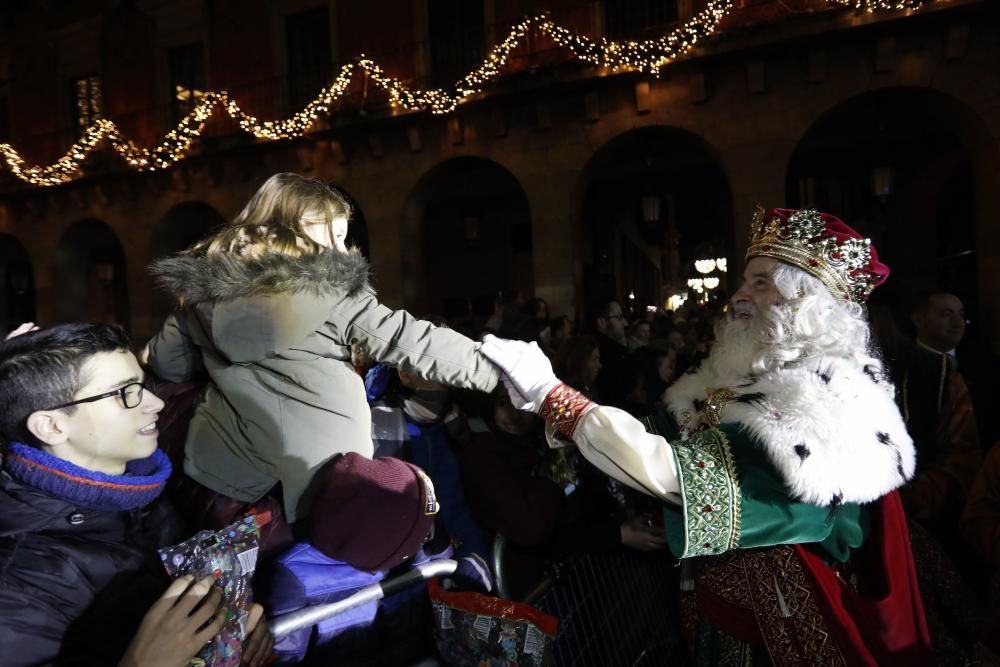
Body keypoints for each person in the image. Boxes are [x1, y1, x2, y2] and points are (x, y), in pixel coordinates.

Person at [482, 207, 933, 664]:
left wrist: (554, 396)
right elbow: (650, 437)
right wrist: (553, 408)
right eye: (745, 280)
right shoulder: (734, 381)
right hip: (717, 616)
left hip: (783, 634)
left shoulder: (832, 404)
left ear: (807, 303)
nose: (738, 295)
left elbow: (675, 472)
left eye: (760, 282)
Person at [146, 173, 498, 525]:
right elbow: (411, 339)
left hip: (226, 476)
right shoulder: (328, 293)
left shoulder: (199, 291)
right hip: (319, 481)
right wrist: (498, 369)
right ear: (297, 228)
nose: (343, 252)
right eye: (338, 236)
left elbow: (169, 364)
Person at [0, 324, 272, 666]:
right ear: (52, 426)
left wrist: (229, 620)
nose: (156, 403)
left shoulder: (141, 492)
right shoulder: (18, 579)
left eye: (142, 385)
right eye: (124, 393)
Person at [896, 291, 981, 529]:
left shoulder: (983, 367)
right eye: (946, 314)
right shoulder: (899, 367)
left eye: (961, 315)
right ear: (918, 320)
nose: (957, 323)